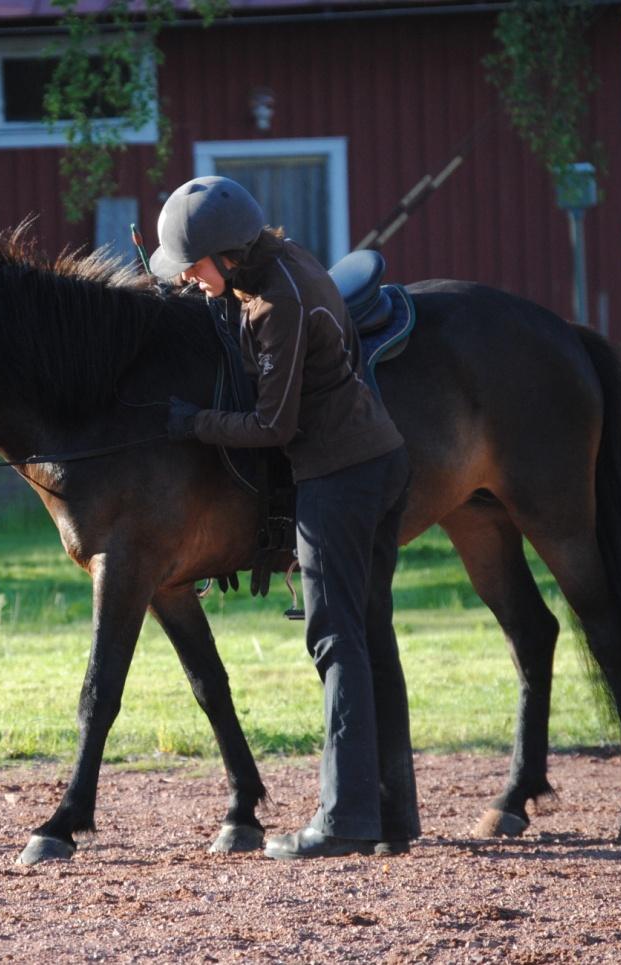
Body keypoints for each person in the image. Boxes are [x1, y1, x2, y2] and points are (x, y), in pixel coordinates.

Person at [150, 176, 420, 858]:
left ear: (229, 256)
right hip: (377, 460)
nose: (185, 276)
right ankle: (390, 815)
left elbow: (272, 423)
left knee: (334, 640)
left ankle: (344, 820)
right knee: (366, 634)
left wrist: (193, 423)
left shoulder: (275, 303)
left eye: (192, 264)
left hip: (340, 476)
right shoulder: (282, 259)